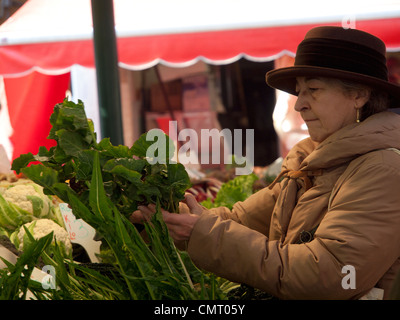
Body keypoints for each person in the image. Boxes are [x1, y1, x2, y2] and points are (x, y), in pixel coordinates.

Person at [130, 26, 400, 300]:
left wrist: (202, 233)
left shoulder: (383, 170)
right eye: (299, 91)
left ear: (359, 95)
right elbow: (242, 220)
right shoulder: (309, 162)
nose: (299, 105)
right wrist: (166, 213)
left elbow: (329, 275)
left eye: (314, 90)